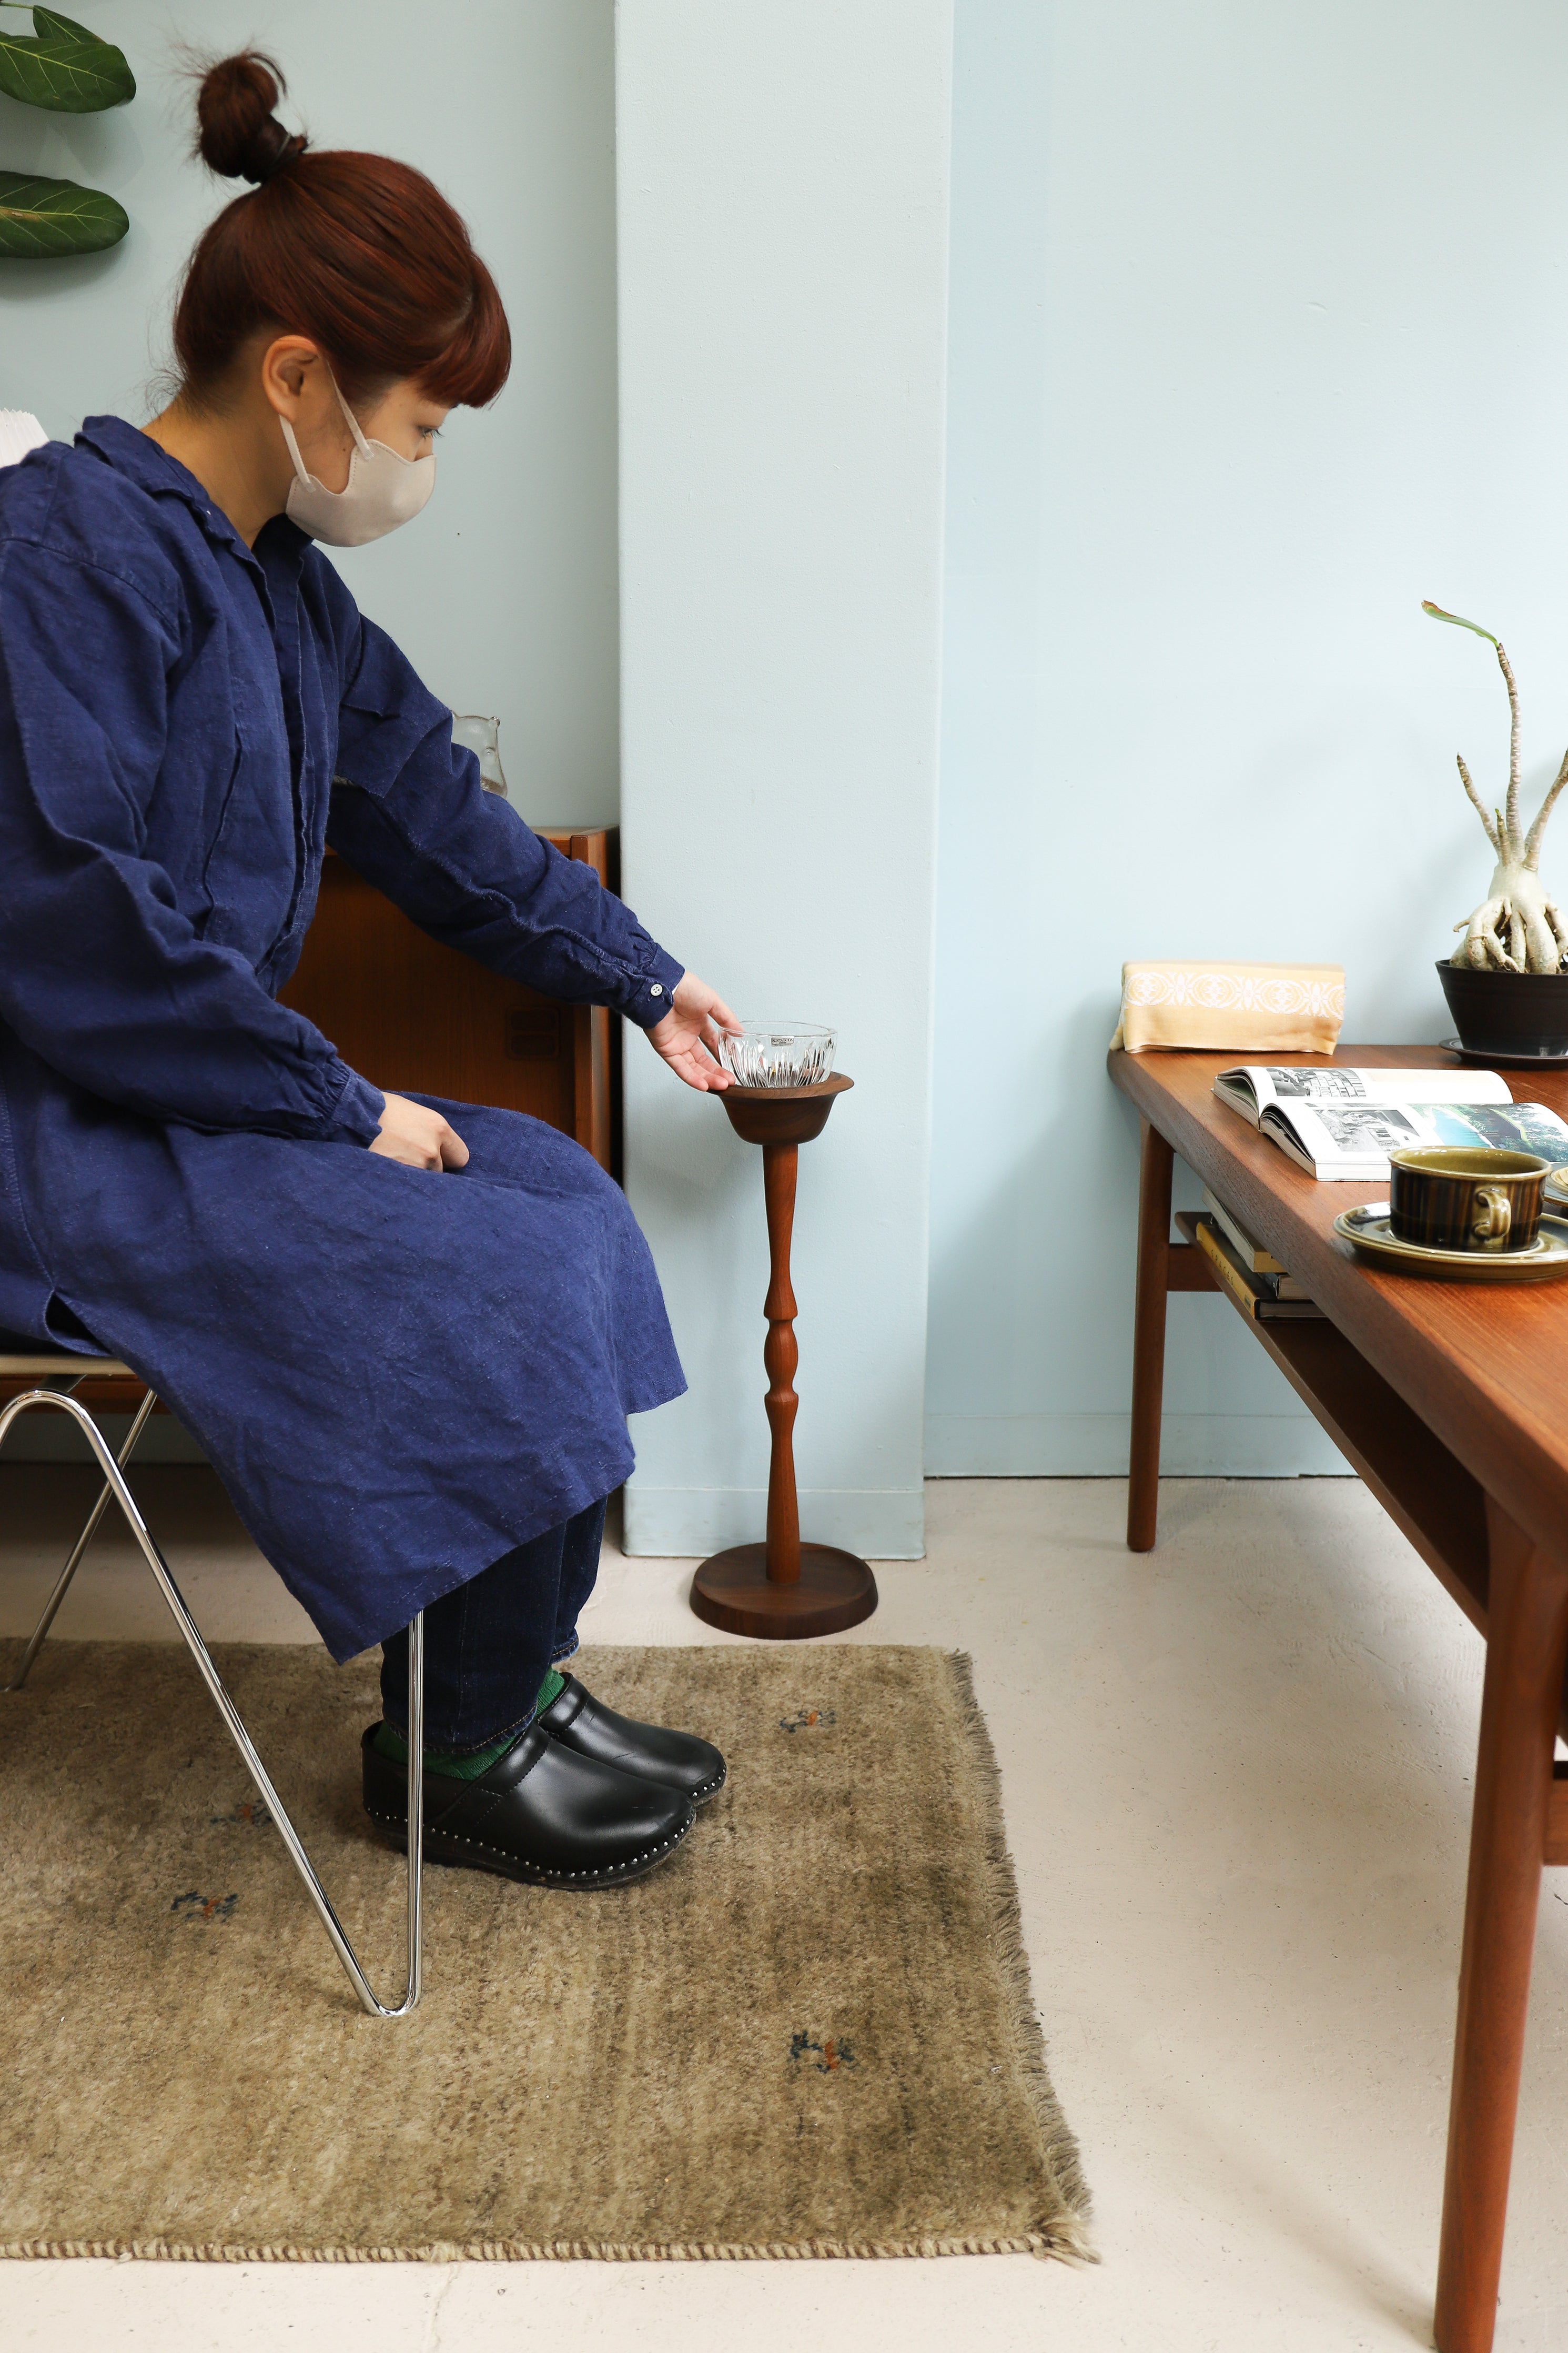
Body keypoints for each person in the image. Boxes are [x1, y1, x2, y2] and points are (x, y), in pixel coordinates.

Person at [0, 53, 737, 1890]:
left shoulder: (280, 587)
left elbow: (432, 807)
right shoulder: (57, 554)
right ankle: (460, 1746)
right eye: (420, 424)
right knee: (469, 1259)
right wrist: (338, 1103)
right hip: (71, 1132)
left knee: (556, 1190)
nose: (418, 466)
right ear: (300, 378)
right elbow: (68, 918)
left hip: (205, 1101)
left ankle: (507, 1687)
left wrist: (642, 979)